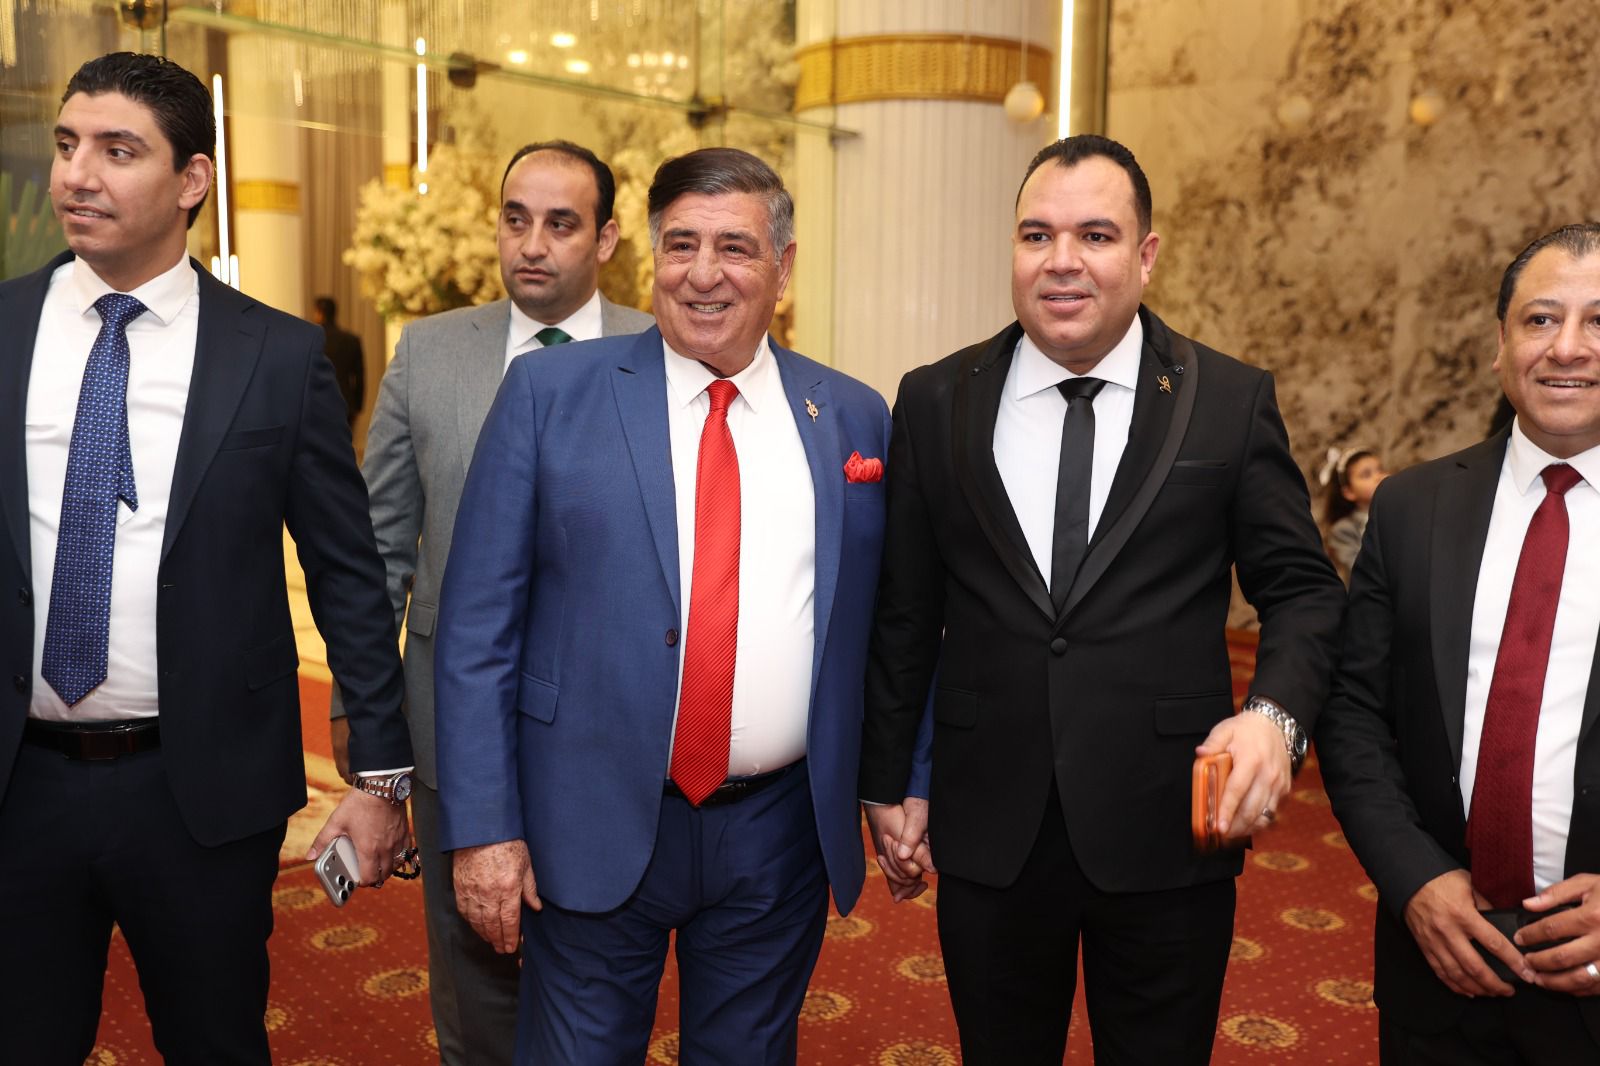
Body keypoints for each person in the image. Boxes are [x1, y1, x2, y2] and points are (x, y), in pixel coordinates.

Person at [858, 134, 1346, 1065]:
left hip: (1167, 820)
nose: (1062, 261)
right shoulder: (933, 399)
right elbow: (907, 611)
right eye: (1036, 235)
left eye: (1095, 235)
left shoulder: (1227, 400)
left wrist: (1274, 719)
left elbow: (1304, 593)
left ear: (1146, 255)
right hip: (987, 819)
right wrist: (891, 778)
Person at [432, 146, 891, 1064]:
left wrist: (899, 782)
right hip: (586, 816)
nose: (703, 273)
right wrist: (484, 829)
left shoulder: (851, 415)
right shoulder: (550, 394)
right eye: (681, 244)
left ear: (784, 268)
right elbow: (477, 628)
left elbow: (886, 626)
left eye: (735, 247)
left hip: (777, 831)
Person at [0, 52, 414, 1064]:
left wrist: (381, 777)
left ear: (192, 179)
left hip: (201, 792)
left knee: (216, 1040)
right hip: (19, 785)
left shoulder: (277, 355)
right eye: (67, 145)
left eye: (117, 150)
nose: (76, 175)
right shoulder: (3, 329)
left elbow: (348, 573)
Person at [329, 138, 650, 1066]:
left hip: (615, 731)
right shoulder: (430, 353)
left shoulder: (661, 348)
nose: (532, 245)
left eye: (561, 224)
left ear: (607, 239)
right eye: (516, 220)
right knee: (473, 994)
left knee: (599, 984)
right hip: (453, 725)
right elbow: (378, 549)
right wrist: (362, 715)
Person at [1318, 222, 1600, 1063]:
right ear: (1499, 345)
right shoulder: (1411, 509)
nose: (1568, 347)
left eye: (1599, 322)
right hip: (1438, 964)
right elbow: (1353, 713)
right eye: (1541, 319)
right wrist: (1414, 881)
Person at [1319, 444, 1388, 581]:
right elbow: (1359, 568)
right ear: (1349, 492)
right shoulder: (1343, 529)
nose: (1379, 477)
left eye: (1380, 469)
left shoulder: (1399, 509)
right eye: (1366, 475)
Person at [311, 294, 365, 428]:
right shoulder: (352, 340)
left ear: (319, 313)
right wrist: (357, 406)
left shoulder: (312, 340)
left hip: (318, 403)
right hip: (346, 403)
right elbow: (360, 377)